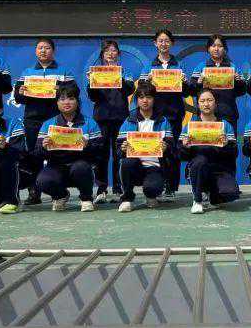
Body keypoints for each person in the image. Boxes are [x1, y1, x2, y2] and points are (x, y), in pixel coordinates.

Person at [13, 37, 76, 206]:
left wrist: (61, 89)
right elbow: (18, 97)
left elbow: (74, 92)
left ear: (53, 51)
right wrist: (20, 91)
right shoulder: (27, 72)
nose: (43, 50)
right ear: (36, 51)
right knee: (34, 155)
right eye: (40, 48)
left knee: (58, 152)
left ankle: (59, 189)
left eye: (47, 48)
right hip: (32, 119)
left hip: (56, 119)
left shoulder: (64, 71)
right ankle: (34, 192)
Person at [34, 85, 103, 212]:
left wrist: (88, 146)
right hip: (56, 166)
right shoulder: (48, 124)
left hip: (80, 165)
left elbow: (100, 151)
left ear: (77, 101)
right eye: (62, 99)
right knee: (42, 181)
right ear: (57, 103)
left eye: (71, 98)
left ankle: (86, 198)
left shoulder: (90, 123)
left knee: (81, 167)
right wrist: (44, 147)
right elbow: (37, 153)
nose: (66, 102)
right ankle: (61, 195)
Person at [140, 29, 191, 198]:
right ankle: (158, 184)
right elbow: (142, 92)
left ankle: (171, 187)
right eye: (160, 41)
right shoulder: (149, 66)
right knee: (157, 149)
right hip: (155, 116)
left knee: (173, 150)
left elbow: (187, 92)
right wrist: (146, 82)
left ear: (172, 43)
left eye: (167, 41)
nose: (164, 44)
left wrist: (184, 83)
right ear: (155, 43)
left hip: (175, 114)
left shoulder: (179, 65)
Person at [87, 39, 136, 204]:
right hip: (101, 117)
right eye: (107, 50)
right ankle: (101, 189)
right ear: (102, 54)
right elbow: (92, 97)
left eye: (114, 50)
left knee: (118, 154)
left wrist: (117, 77)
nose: (110, 53)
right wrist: (92, 82)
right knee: (101, 155)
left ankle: (118, 188)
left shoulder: (125, 71)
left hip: (120, 117)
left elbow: (130, 89)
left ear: (118, 54)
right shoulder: (96, 71)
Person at [179, 88, 240, 214]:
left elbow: (234, 153)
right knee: (200, 161)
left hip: (220, 169)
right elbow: (180, 155)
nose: (206, 104)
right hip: (198, 168)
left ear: (216, 103)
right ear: (198, 104)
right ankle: (197, 199)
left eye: (209, 100)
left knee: (230, 193)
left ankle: (212, 194)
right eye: (202, 101)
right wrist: (185, 147)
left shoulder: (225, 125)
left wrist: (226, 145)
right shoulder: (190, 126)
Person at [115, 82, 173, 213]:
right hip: (134, 165)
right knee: (126, 162)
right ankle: (127, 198)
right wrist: (122, 148)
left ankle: (151, 195)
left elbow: (172, 148)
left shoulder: (163, 121)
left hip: (154, 166)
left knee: (152, 188)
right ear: (137, 100)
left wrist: (166, 148)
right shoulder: (129, 120)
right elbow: (118, 149)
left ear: (154, 99)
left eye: (149, 97)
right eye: (141, 97)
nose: (145, 100)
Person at [189, 34, 247, 135]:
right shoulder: (201, 67)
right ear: (208, 49)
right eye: (213, 46)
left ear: (224, 49)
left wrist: (238, 82)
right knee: (207, 141)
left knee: (229, 142)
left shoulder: (232, 67)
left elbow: (242, 91)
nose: (216, 49)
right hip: (206, 114)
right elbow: (192, 91)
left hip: (228, 113)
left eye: (220, 46)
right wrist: (198, 82)